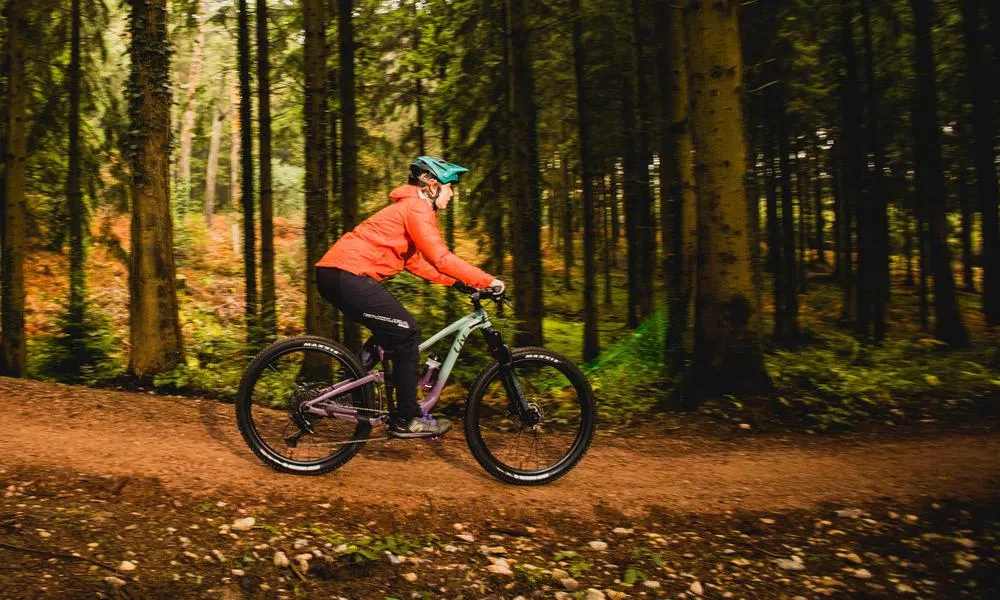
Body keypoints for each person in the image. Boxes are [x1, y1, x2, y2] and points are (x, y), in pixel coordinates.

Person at [315, 156, 504, 438]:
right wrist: (488, 281)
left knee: (393, 331)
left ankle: (344, 389)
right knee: (407, 331)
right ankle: (408, 417)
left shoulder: (411, 207)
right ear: (430, 184)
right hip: (346, 274)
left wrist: (457, 283)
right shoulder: (416, 208)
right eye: (449, 186)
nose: (452, 193)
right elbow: (439, 257)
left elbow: (415, 262)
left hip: (339, 275)